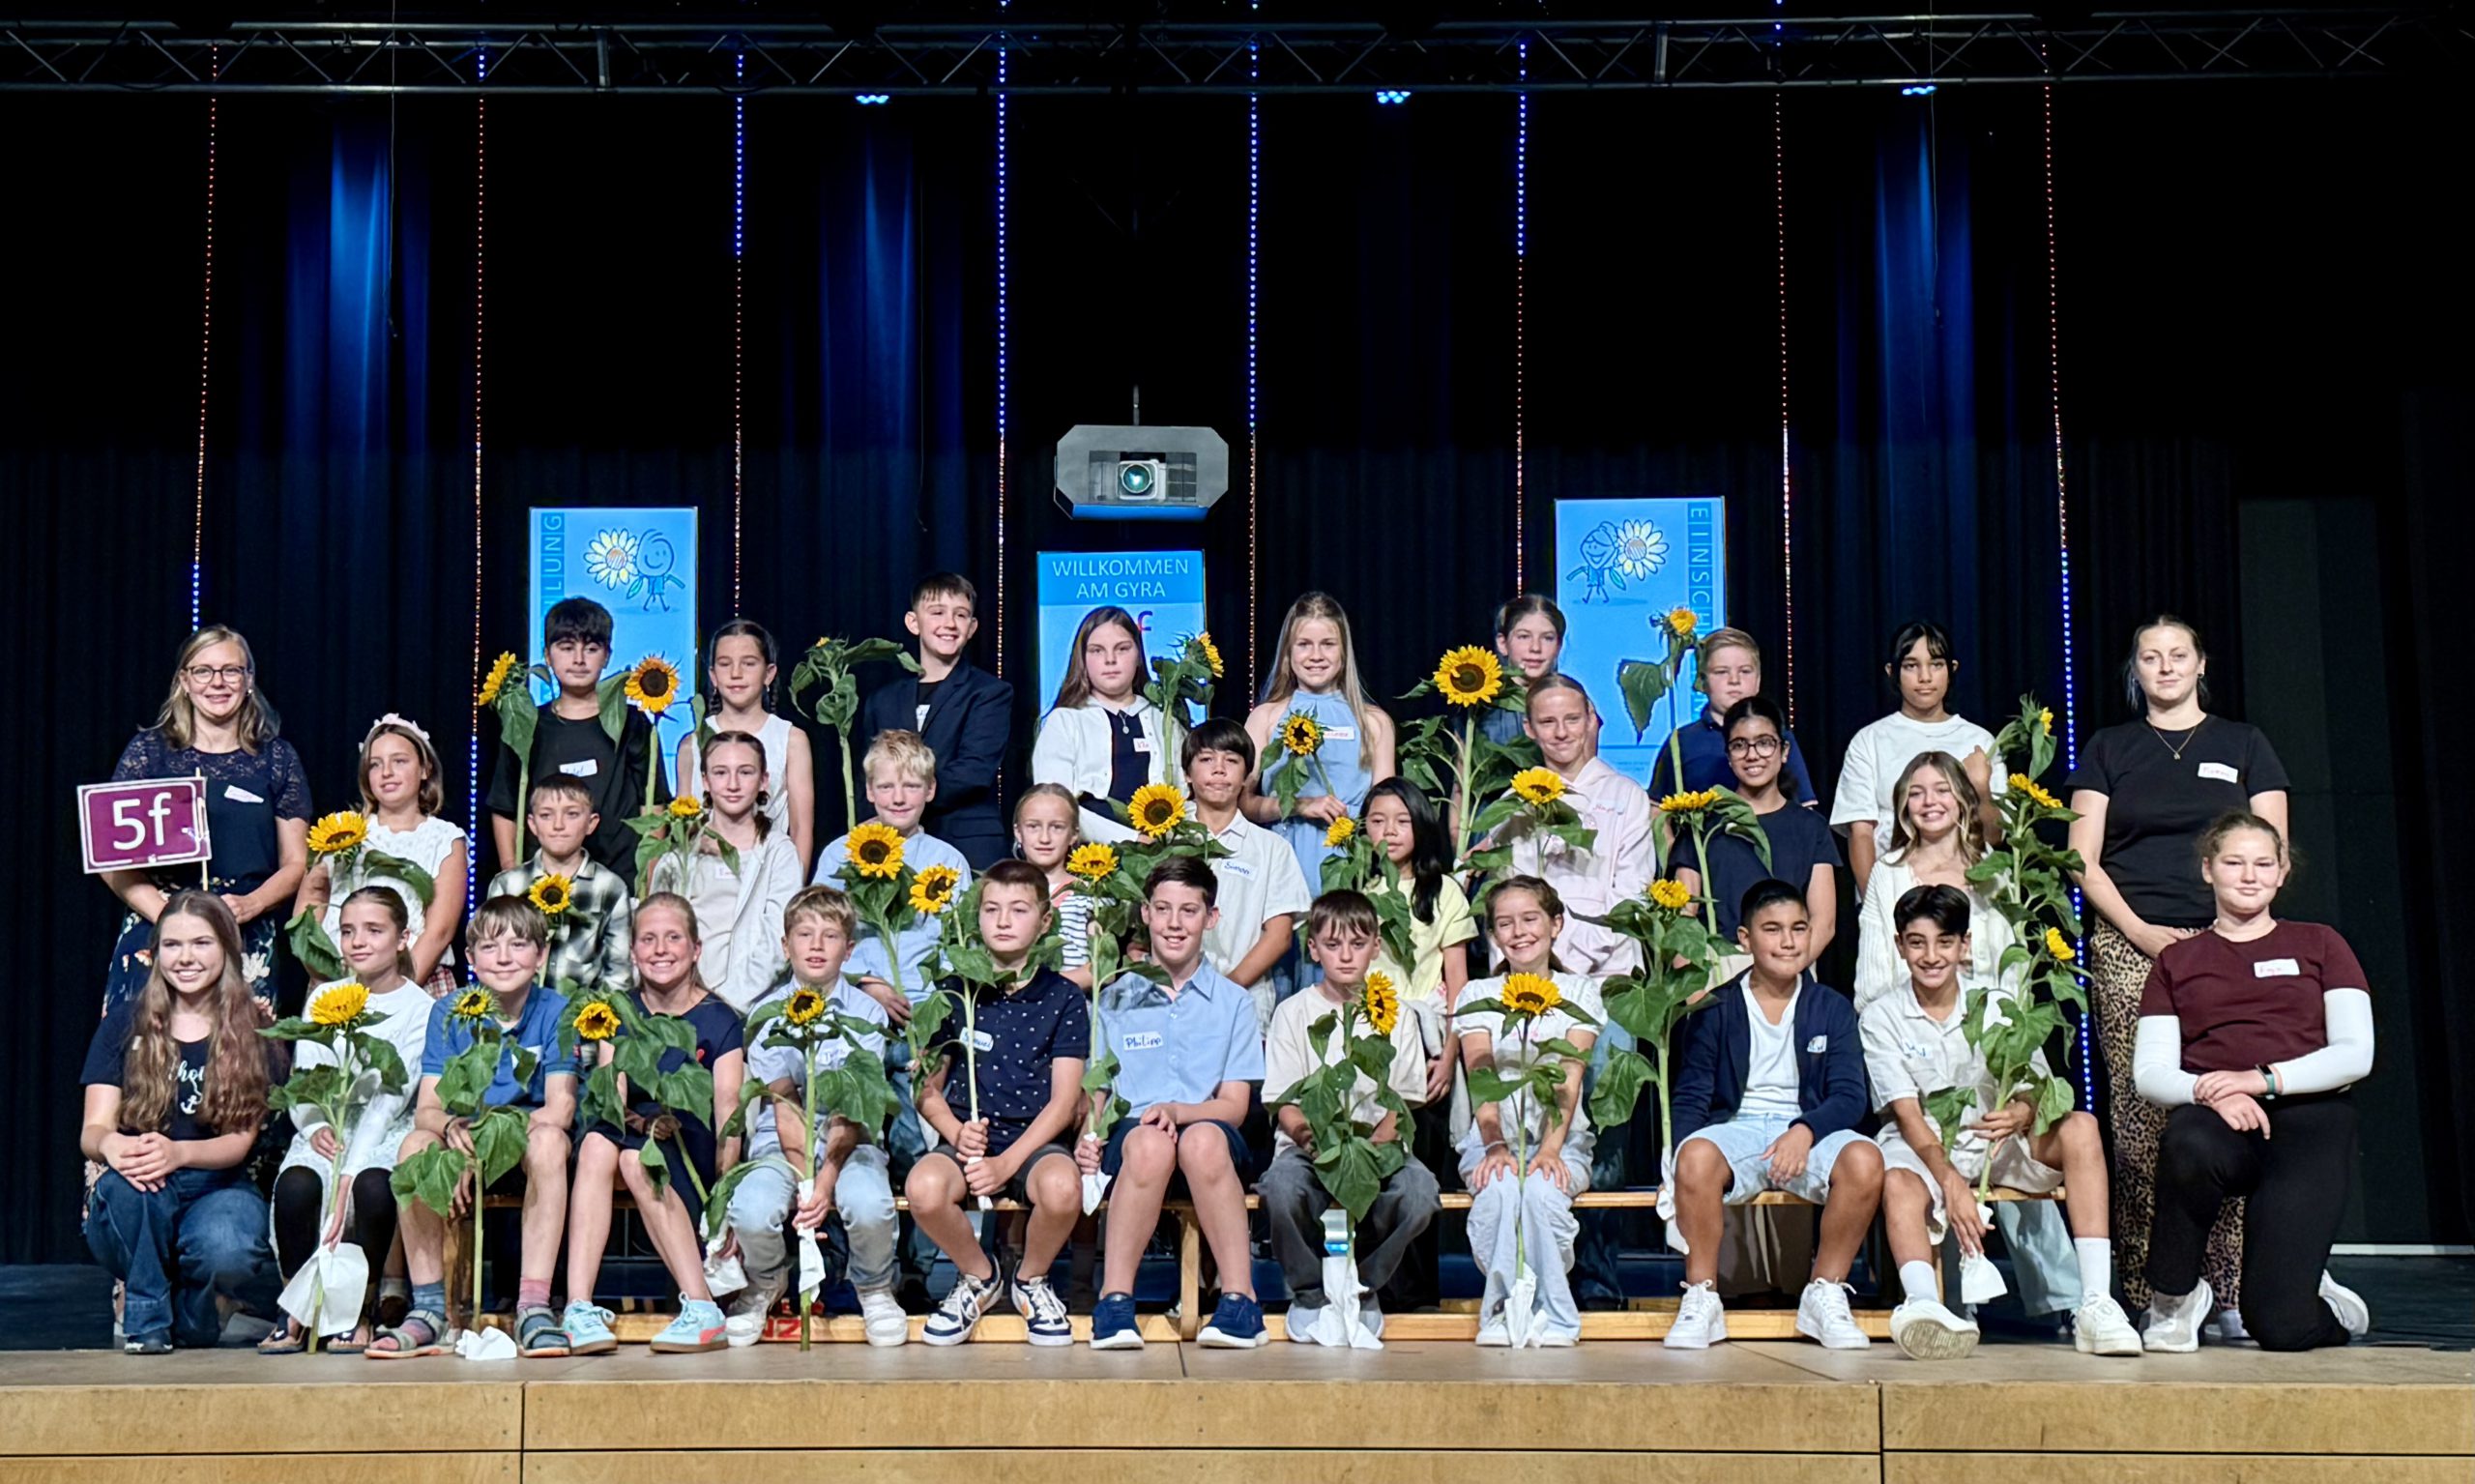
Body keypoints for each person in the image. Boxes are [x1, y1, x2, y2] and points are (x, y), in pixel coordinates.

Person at [2067, 613, 2289, 1323]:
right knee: (2141, 1121)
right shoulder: (2110, 748)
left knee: (2229, 1108)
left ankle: (2230, 1289)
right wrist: (2140, 932)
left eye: (2178, 654)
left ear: (2200, 664)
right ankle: (2152, 1290)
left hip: (2228, 944)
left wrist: (2222, 937)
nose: (2165, 667)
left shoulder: (2243, 744)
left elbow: (2271, 853)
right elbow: (2081, 859)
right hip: (2133, 944)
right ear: (2135, 670)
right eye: (2150, 657)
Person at [1862, 884, 2140, 1360]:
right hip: (1925, 1145)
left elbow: (2035, 1085)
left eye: (1944, 942)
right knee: (1898, 1181)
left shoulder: (1995, 1003)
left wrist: (2021, 1112)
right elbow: (1907, 1115)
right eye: (1917, 943)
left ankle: (2096, 1302)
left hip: (1999, 1143)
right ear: (1899, 946)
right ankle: (1924, 1306)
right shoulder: (1880, 1017)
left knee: (2080, 1127)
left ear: (1964, 945)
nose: (1931, 956)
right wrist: (1951, 1181)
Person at [2134, 812, 2373, 1353]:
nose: (2249, 876)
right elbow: (2150, 1073)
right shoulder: (2177, 960)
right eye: (2234, 862)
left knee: (2282, 1327)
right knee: (2188, 1140)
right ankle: (2174, 1298)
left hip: (2310, 1123)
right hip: (2219, 1118)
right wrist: (2212, 1091)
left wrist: (2258, 1080)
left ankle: (2323, 1301)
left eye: (2264, 864)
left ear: (2282, 872)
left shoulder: (2321, 943)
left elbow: (2356, 1055)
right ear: (2208, 869)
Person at [1663, 879, 1881, 1352]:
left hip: (1806, 1131)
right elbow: (1692, 1096)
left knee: (1865, 1159)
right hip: (1737, 1132)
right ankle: (1701, 1297)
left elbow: (1849, 1097)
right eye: (1773, 929)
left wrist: (1805, 1129)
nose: (1788, 941)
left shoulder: (1831, 1007)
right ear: (1745, 939)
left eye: (1799, 928)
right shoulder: (1716, 1008)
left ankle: (1824, 1292)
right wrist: (1675, 1163)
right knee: (1694, 1156)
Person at [369, 896, 575, 1359]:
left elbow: (560, 1109)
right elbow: (427, 1109)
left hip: (525, 1142)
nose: (504, 958)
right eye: (490, 947)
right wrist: (451, 1132)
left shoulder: (557, 1010)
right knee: (415, 1146)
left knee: (549, 1142)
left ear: (541, 955)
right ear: (470, 957)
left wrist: (484, 1140)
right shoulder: (450, 1011)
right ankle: (428, 1309)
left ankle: (534, 1306)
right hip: (462, 1137)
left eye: (519, 945)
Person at [1081, 856, 1268, 1350]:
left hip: (1210, 1134)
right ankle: (1115, 1302)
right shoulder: (1116, 998)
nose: (1174, 923)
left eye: (1189, 911)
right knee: (1150, 1144)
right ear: (1145, 914)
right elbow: (1098, 1090)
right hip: (1137, 1141)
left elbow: (1234, 1106)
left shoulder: (1233, 1002)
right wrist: (1089, 1136)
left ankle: (1241, 1300)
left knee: (1200, 1141)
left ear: (1211, 918)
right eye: (1162, 909)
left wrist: (1180, 1112)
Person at [80, 892, 280, 1353]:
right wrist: (111, 1146)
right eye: (172, 945)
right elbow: (93, 1129)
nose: (186, 957)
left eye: (201, 943)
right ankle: (146, 1319)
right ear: (155, 953)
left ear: (226, 949)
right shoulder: (124, 1023)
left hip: (215, 1186)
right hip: (140, 1185)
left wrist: (180, 1153)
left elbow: (239, 1142)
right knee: (134, 1192)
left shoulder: (253, 1028)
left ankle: (196, 1312)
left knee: (229, 1245)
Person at [907, 860, 1091, 1346]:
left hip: (1035, 1141)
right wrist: (956, 1134)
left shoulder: (1064, 998)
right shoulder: (953, 992)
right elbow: (926, 1089)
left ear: (1045, 921)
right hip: (968, 1141)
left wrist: (1006, 1163)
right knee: (924, 1188)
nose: (1003, 921)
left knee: (1062, 1188)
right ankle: (979, 1276)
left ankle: (1031, 1279)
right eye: (991, 909)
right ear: (977, 917)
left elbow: (1064, 1101)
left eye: (1018, 910)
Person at [563, 894, 746, 1356]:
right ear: (633, 951)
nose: (660, 949)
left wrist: (725, 1199)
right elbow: (612, 1097)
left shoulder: (720, 1019)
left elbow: (729, 1112)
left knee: (635, 1159)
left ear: (696, 949)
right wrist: (642, 1123)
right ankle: (578, 1307)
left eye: (673, 938)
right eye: (648, 939)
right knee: (599, 1146)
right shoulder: (619, 1011)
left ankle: (702, 1307)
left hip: (690, 1138)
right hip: (637, 1128)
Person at [723, 887, 907, 1348]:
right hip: (782, 1137)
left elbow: (853, 1106)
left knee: (869, 1203)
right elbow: (784, 1104)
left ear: (849, 949)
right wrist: (806, 1182)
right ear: (786, 946)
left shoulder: (866, 1013)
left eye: (830, 935)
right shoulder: (767, 1015)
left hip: (851, 1137)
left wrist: (824, 1183)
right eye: (805, 935)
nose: (817, 945)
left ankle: (874, 1287)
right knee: (751, 1208)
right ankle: (765, 1281)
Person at [101, 626, 310, 1013]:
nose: (217, 682)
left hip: (241, 928)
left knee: (238, 1048)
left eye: (231, 671)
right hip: (158, 929)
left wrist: (251, 904)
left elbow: (297, 863)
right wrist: (168, 916)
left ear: (248, 680)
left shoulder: (277, 759)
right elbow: (109, 858)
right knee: (144, 1047)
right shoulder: (148, 754)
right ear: (184, 681)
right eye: (203, 671)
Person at [1260, 890, 1439, 1344]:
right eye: (1333, 944)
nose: (1345, 956)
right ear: (1313, 949)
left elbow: (1403, 1100)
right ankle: (1310, 1292)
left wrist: (1368, 1154)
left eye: (1357, 944)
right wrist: (1316, 1145)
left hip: (1377, 1145)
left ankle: (1364, 1284)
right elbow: (1283, 1100)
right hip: (1309, 1148)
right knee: (1281, 1188)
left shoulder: (1395, 1015)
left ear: (1376, 947)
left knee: (1419, 1192)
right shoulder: (1293, 1013)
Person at [261, 888, 433, 1354]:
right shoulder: (326, 997)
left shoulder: (419, 1009)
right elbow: (304, 1081)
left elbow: (390, 1099)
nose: (358, 942)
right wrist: (314, 1125)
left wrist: (349, 1172)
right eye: (348, 931)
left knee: (373, 1187)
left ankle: (360, 1305)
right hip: (329, 1126)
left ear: (403, 938)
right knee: (298, 1184)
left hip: (381, 1131)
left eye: (374, 931)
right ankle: (296, 1304)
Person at [1457, 877, 1602, 1346]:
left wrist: (1551, 1150)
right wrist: (1496, 1146)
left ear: (1555, 924)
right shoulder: (1477, 994)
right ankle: (1502, 1311)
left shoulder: (1579, 992)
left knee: (1541, 1193)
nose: (1518, 932)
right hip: (1492, 1137)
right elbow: (1482, 1078)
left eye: (1530, 919)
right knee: (1500, 1190)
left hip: (1561, 1139)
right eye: (1505, 923)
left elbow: (1569, 1077)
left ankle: (1555, 1314)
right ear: (1493, 935)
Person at [1361, 776, 1476, 1312]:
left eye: (1401, 821)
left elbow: (1458, 981)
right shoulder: (1358, 886)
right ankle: (1370, 1286)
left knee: (1420, 1170)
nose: (1389, 831)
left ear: (1421, 826)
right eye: (1377, 821)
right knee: (1371, 1162)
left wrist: (1449, 1057)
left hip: (1427, 1043)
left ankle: (1417, 1296)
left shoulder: (1444, 891)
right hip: (1370, 1045)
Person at [488, 596, 668, 879]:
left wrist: (649, 876)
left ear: (607, 655)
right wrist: (512, 872)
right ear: (547, 655)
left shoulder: (633, 723)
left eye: (591, 648)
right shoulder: (526, 724)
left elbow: (653, 804)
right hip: (543, 884)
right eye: (567, 647)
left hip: (622, 880)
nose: (579, 659)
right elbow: (505, 805)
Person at [1830, 621, 2005, 902]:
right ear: (1892, 672)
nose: (1925, 677)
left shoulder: (1979, 741)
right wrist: (1877, 904)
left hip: (1969, 899)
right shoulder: (1869, 741)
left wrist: (1981, 789)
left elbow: (1995, 837)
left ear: (1952, 669)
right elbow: (1860, 833)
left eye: (1936, 664)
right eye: (1911, 666)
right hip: (1895, 895)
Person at [294, 714, 470, 994]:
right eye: (375, 764)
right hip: (337, 985)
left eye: (399, 761)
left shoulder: (444, 839)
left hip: (414, 984)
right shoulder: (341, 830)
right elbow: (310, 903)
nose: (387, 772)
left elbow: (439, 932)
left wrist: (393, 996)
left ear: (424, 769)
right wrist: (321, 970)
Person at [1499, 675, 1657, 977]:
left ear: (1590, 720)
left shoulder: (1626, 794)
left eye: (1572, 719)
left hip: (1611, 971)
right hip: (1532, 973)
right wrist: (1538, 962)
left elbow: (1632, 891)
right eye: (1547, 722)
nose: (1561, 733)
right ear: (1529, 728)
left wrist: (1574, 962)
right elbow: (1509, 895)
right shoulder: (1515, 802)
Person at [1672, 696, 1841, 969]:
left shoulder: (1811, 827)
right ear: (1728, 755)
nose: (1752, 755)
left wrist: (1785, 971)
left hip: (1792, 966)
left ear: (1784, 751)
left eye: (1764, 743)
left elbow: (1824, 921)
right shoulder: (1701, 823)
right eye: (1739, 745)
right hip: (1718, 970)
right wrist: (1693, 985)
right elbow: (1683, 917)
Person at [1243, 592, 1397, 893]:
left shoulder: (1374, 722)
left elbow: (1385, 810)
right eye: (1304, 644)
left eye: (1328, 644)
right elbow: (1244, 803)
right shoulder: (1266, 718)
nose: (1316, 655)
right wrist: (1300, 806)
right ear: (1288, 652)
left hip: (1354, 868)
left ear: (1344, 652)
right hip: (1283, 865)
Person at [860, 574, 1014, 870]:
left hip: (966, 842)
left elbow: (974, 770)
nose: (950, 623)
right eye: (937, 612)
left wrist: (907, 797)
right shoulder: (882, 700)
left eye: (961, 615)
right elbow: (868, 773)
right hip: (892, 841)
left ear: (972, 627)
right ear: (913, 622)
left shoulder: (990, 693)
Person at [1852, 753, 2016, 1013]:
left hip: (1988, 1022)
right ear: (1904, 804)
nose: (1929, 801)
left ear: (1962, 798)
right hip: (1905, 1023)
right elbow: (1872, 979)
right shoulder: (1888, 872)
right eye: (1916, 793)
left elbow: (2012, 965)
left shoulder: (1992, 869)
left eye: (1942, 790)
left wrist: (2006, 1023)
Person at [650, 731, 801, 1012]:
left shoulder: (779, 853)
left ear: (763, 780)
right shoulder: (678, 857)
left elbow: (777, 941)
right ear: (705, 781)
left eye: (745, 772)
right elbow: (656, 934)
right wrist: (686, 1001)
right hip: (680, 1006)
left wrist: (725, 1005)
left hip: (756, 1008)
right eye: (720, 773)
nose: (733, 784)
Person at [1184, 719, 1312, 1030]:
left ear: (1246, 776)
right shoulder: (1163, 837)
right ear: (1187, 773)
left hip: (1244, 1000)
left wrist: (1226, 989)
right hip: (1171, 996)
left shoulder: (1271, 848)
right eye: (1206, 759)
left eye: (1231, 761)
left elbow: (1279, 935)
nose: (1219, 770)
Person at [678, 620, 817, 872]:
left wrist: (794, 888)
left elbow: (801, 829)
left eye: (749, 663)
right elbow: (684, 828)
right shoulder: (692, 744)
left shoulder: (791, 740)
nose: (736, 673)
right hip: (704, 877)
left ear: (769, 673)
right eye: (725, 664)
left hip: (768, 875)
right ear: (713, 675)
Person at [483, 773, 635, 1000]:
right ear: (532, 824)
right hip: (518, 1011)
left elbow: (618, 974)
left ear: (591, 823)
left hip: (583, 1012)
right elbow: (491, 957)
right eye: (546, 815)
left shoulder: (610, 888)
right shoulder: (508, 885)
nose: (558, 825)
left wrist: (595, 1014)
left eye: (572, 814)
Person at [1031, 605, 1166, 845]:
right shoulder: (1064, 722)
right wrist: (1131, 839)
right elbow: (1056, 805)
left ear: (1138, 656)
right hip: (1089, 854)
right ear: (1082, 659)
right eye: (1097, 650)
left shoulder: (1164, 720)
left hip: (1162, 852)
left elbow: (1185, 795)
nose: (1110, 660)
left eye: (1122, 649)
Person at [1646, 626, 1818, 807]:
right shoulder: (1682, 741)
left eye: (1745, 671)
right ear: (1702, 681)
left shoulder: (1778, 737)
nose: (1734, 680)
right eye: (1721, 672)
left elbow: (1805, 809)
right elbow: (1657, 810)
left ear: (1758, 680)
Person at [1013, 783, 1097, 989]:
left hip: (1071, 1002)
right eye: (1033, 826)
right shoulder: (1002, 892)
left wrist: (1045, 989)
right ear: (1018, 832)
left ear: (1074, 834)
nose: (1045, 838)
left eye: (1057, 827)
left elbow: (1102, 968)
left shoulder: (1091, 895)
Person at [1482, 594, 1567, 746]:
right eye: (1524, 637)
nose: (1535, 648)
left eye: (1547, 638)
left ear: (1558, 646)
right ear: (1503, 643)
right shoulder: (1480, 705)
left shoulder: (1573, 702)